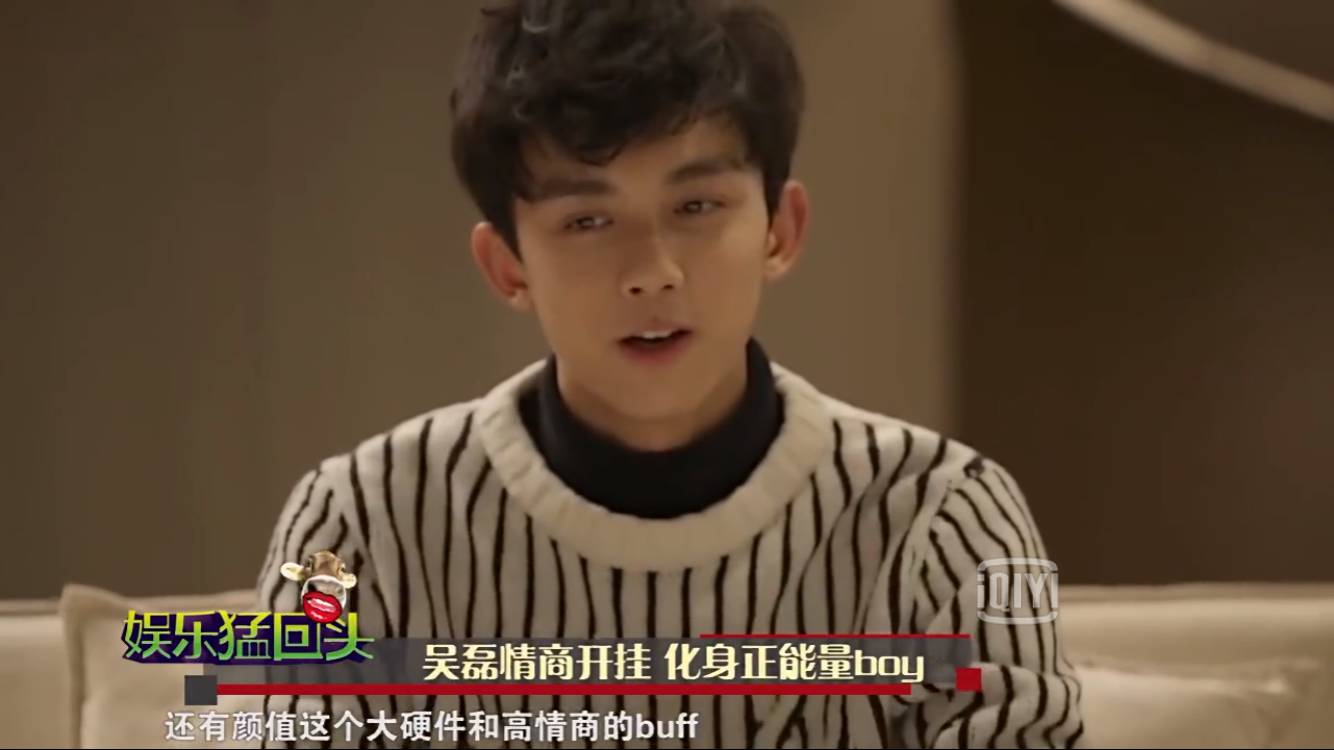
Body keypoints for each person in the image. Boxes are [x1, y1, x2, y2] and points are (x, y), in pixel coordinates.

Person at [256, 0, 1085, 747]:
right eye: (587, 219)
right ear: (507, 264)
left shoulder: (946, 519)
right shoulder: (359, 530)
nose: (651, 272)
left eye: (696, 207)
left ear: (780, 229)